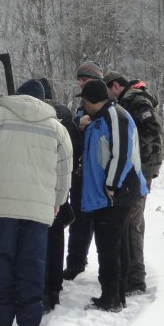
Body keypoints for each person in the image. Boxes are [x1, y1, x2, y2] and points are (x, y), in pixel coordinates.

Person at [0, 81, 73, 326]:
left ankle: (1, 317)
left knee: (2, 258)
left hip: (1, 203)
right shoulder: (58, 129)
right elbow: (64, 171)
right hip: (37, 208)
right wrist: (58, 201)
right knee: (33, 261)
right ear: (42, 100)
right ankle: (29, 320)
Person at [76, 79, 148, 312]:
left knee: (109, 246)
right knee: (115, 244)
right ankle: (117, 294)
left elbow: (123, 153)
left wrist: (112, 185)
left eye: (84, 101)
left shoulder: (116, 116)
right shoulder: (103, 117)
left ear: (90, 100)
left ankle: (111, 298)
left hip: (117, 193)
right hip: (108, 194)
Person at [104, 70, 163, 295]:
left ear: (116, 86)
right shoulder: (133, 98)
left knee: (133, 223)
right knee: (132, 222)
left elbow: (152, 127)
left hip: (141, 170)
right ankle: (132, 276)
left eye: (109, 90)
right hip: (141, 168)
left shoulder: (135, 100)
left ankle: (136, 280)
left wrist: (133, 146)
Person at [37, 77, 79, 312]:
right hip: (60, 182)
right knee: (55, 238)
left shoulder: (35, 116)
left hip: (38, 184)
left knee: (38, 239)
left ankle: (41, 287)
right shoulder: (64, 115)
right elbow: (74, 150)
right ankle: (54, 286)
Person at [63, 60, 104, 280]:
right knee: (78, 222)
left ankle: (107, 271)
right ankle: (75, 264)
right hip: (80, 173)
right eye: (79, 78)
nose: (81, 82)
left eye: (85, 78)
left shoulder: (108, 108)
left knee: (103, 226)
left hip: (99, 176)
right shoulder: (81, 106)